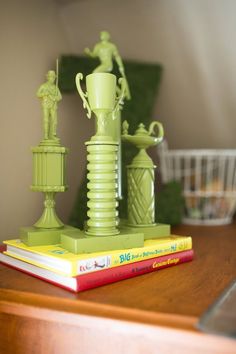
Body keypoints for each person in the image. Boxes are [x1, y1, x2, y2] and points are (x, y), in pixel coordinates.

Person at [85, 31, 130, 99]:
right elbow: (94, 54)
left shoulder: (111, 46)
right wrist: (88, 52)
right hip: (103, 64)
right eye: (102, 34)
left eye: (105, 34)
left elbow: (117, 56)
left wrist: (121, 66)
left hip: (108, 65)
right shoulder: (98, 46)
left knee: (95, 73)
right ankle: (120, 92)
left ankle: (119, 92)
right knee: (107, 80)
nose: (103, 36)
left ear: (108, 36)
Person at [37, 70, 62, 140]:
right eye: (51, 77)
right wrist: (46, 94)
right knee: (46, 120)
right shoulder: (43, 86)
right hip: (45, 104)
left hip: (53, 105)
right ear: (48, 77)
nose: (52, 79)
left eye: (54, 77)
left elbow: (60, 97)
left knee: (54, 120)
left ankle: (53, 135)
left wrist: (55, 98)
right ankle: (46, 135)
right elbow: (38, 94)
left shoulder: (55, 87)